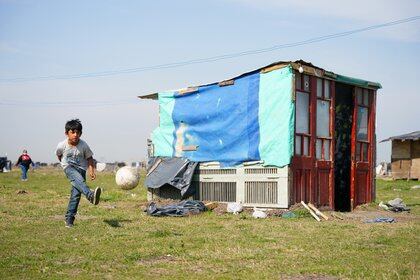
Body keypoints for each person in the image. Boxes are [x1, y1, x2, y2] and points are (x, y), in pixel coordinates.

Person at [56, 119, 102, 228]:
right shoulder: (62, 145)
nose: (75, 135)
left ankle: (69, 219)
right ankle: (90, 195)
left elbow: (89, 158)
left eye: (78, 132)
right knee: (78, 180)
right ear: (67, 133)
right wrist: (63, 164)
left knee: (76, 195)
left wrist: (91, 171)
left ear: (81, 133)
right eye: (73, 132)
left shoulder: (84, 145)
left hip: (81, 168)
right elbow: (59, 155)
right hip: (69, 167)